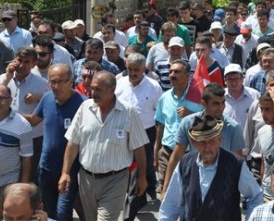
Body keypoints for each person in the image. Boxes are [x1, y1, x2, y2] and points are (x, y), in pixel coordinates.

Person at [58, 71, 149, 221]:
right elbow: (73, 143)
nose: (93, 93)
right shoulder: (85, 108)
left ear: (112, 90)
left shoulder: (129, 112)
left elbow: (139, 148)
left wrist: (142, 177)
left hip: (115, 181)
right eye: (92, 88)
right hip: (86, 179)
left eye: (98, 89)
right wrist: (65, 172)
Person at [159, 114, 263, 220]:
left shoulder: (235, 164)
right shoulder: (185, 163)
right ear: (194, 143)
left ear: (220, 139)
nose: (207, 147)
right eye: (203, 142)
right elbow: (170, 205)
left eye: (212, 141)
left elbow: (255, 196)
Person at [22, 64, 86, 221]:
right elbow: (33, 120)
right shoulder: (47, 98)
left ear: (71, 81)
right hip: (46, 169)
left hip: (70, 171)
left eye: (60, 81)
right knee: (48, 213)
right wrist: (9, 114)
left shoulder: (83, 104)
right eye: (52, 82)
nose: (56, 86)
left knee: (63, 212)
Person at [160, 83, 245, 197]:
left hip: (222, 185)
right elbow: (176, 156)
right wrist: (166, 189)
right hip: (193, 180)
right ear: (203, 104)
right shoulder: (188, 123)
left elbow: (237, 162)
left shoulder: (233, 128)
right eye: (216, 103)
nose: (221, 107)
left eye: (223, 102)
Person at [0, 47, 50, 183]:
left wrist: (40, 96)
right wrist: (7, 77)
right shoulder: (3, 79)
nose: (21, 65)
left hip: (33, 139)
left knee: (28, 180)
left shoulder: (42, 85)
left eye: (27, 62)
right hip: (6, 137)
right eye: (19, 60)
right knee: (8, 179)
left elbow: (52, 101)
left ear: (34, 64)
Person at [115, 53, 162, 205]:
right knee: (123, 164)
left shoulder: (154, 87)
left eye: (137, 70)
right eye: (130, 69)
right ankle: (124, 195)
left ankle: (141, 195)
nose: (133, 73)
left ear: (144, 69)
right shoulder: (118, 83)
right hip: (121, 132)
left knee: (145, 165)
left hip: (145, 133)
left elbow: (160, 114)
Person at [153, 59, 203, 194]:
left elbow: (208, 122)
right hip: (167, 150)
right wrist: (157, 152)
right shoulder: (164, 97)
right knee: (165, 188)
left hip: (189, 152)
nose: (172, 74)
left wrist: (191, 115)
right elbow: (161, 126)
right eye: (170, 71)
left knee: (187, 190)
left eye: (177, 72)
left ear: (187, 76)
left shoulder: (198, 97)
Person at [0, 84, 33, 220]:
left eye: (0, 98)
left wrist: (23, 187)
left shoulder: (22, 124)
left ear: (10, 100)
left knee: (0, 217)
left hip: (4, 186)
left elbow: (27, 157)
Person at [223, 63, 260, 130]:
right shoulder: (220, 96)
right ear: (225, 80)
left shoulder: (254, 95)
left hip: (248, 139)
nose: (234, 83)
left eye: (236, 79)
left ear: (242, 79)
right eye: (230, 79)